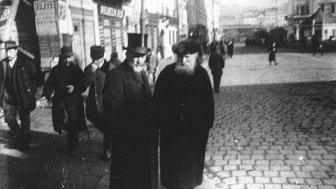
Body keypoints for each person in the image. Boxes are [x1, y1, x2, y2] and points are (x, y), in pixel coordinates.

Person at [153, 39, 214, 189]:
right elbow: (157, 103)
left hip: (194, 133)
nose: (183, 61)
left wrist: (204, 126)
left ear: (195, 57)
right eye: (180, 57)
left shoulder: (201, 75)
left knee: (191, 170)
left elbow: (208, 105)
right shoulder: (166, 74)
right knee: (172, 171)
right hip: (171, 132)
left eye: (187, 57)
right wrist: (163, 123)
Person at [103, 33, 158, 189]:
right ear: (127, 54)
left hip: (144, 139)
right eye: (135, 56)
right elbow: (114, 109)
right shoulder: (116, 75)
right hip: (127, 140)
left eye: (142, 56)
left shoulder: (141, 73)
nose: (139, 60)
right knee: (127, 179)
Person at [37, 46, 87, 156]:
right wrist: (45, 96)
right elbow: (49, 84)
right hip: (61, 101)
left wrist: (75, 88)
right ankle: (71, 142)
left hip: (73, 101)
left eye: (68, 57)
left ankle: (72, 146)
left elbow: (83, 84)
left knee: (72, 124)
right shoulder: (55, 70)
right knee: (63, 122)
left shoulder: (76, 70)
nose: (66, 60)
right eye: (64, 57)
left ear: (72, 57)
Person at [0, 41, 37, 150]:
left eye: (11, 51)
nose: (8, 54)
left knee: (25, 120)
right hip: (9, 98)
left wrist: (30, 93)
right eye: (7, 51)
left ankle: (24, 142)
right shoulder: (2, 64)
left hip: (23, 96)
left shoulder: (25, 62)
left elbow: (35, 78)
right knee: (9, 118)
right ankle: (18, 137)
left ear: (16, 51)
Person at [84, 45, 114, 161]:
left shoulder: (111, 68)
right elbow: (84, 85)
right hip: (92, 105)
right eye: (94, 58)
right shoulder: (88, 69)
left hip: (107, 103)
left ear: (102, 57)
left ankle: (107, 150)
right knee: (95, 120)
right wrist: (91, 73)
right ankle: (112, 139)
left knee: (108, 127)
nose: (95, 61)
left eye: (97, 58)